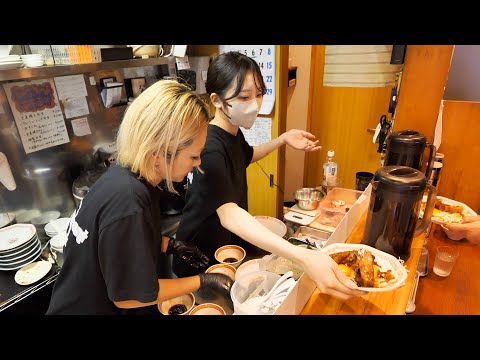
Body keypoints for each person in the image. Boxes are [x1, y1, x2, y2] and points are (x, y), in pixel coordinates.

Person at [173, 51, 366, 301]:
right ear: (217, 100)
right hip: (199, 256)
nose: (255, 103)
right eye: (244, 96)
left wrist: (282, 140)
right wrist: (304, 256)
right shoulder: (209, 148)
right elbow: (230, 214)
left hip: (225, 248)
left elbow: (247, 155)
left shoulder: (232, 131)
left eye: (259, 93)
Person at [46, 80, 233, 315]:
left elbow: (123, 244)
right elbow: (130, 297)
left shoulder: (127, 175)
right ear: (158, 153)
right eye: (193, 157)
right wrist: (203, 280)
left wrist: (170, 245)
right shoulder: (129, 200)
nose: (198, 164)